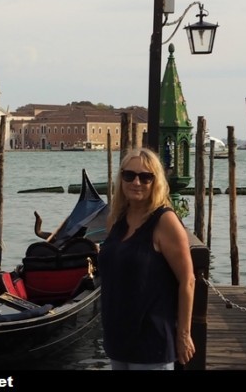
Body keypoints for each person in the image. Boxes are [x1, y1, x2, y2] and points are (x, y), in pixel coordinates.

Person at [98, 147, 196, 370]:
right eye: (129, 175)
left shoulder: (165, 221)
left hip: (152, 341)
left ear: (156, 181)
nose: (136, 182)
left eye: (145, 177)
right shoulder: (116, 219)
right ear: (121, 178)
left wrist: (184, 333)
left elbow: (187, 281)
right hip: (117, 337)